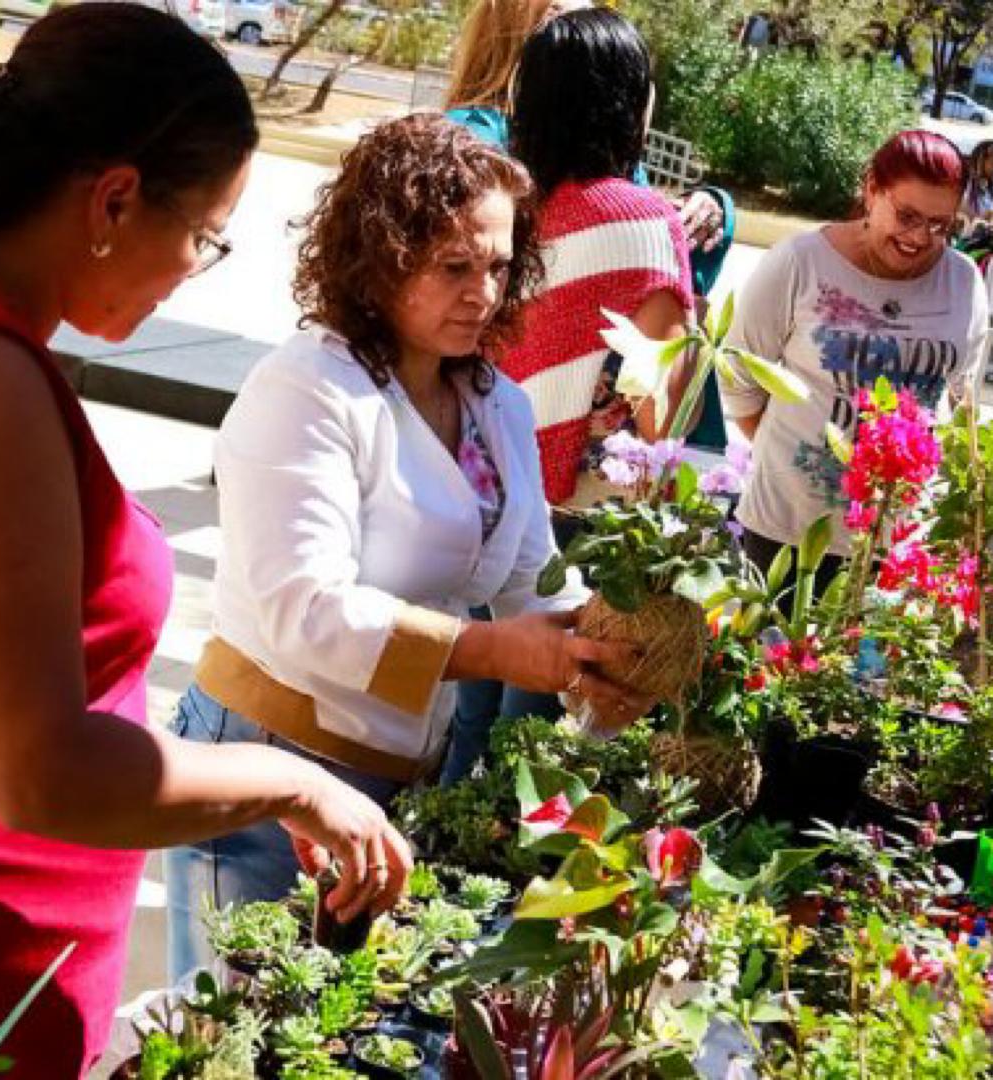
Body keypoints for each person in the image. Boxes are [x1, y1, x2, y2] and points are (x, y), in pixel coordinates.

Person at [0, 7, 412, 1076]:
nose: (196, 268)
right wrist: (292, 783)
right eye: (204, 235)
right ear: (115, 198)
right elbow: (37, 769)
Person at [164, 113, 645, 980]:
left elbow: (533, 574)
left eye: (499, 266)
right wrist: (498, 651)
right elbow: (304, 610)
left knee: (328, 1037)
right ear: (379, 259)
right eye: (454, 266)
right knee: (229, 1039)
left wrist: (605, 644)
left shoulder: (495, 401)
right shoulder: (309, 389)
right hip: (266, 774)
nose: (483, 292)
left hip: (394, 781)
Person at [440, 8, 698, 784]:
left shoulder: (502, 208)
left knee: (469, 718)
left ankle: (433, 883)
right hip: (583, 520)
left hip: (477, 492)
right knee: (537, 737)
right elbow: (654, 404)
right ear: (630, 101)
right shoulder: (647, 222)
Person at [724, 129, 989, 583]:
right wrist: (797, 460)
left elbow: (958, 404)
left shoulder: (963, 283)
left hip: (897, 545)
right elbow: (739, 375)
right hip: (788, 531)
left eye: (941, 225)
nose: (920, 238)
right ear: (871, 189)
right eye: (907, 216)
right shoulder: (800, 263)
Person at [443, 0, 735, 306]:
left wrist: (710, 207)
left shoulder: (583, 140)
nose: (585, 32)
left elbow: (640, 228)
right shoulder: (470, 136)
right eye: (559, 16)